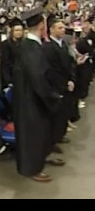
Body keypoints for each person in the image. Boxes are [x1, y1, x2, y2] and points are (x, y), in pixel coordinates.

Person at [13, 8, 63, 182]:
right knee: (33, 135)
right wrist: (53, 96)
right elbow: (38, 78)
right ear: (42, 25)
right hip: (31, 101)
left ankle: (43, 158)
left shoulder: (29, 45)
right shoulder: (31, 48)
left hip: (31, 98)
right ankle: (32, 168)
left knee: (42, 133)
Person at [42, 18, 75, 150]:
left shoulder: (63, 44)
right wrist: (64, 82)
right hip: (56, 86)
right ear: (52, 29)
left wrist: (71, 79)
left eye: (63, 28)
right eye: (60, 28)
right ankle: (52, 141)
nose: (63, 30)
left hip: (66, 84)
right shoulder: (48, 47)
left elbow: (69, 64)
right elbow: (52, 70)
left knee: (62, 114)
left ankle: (59, 135)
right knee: (55, 115)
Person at [0, 18, 24, 90]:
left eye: (20, 30)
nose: (19, 32)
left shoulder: (24, 44)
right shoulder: (5, 45)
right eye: (16, 30)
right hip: (11, 76)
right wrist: (8, 81)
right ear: (12, 31)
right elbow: (4, 64)